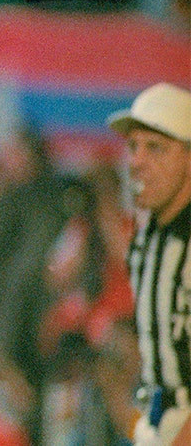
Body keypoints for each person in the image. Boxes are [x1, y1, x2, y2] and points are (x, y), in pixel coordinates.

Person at [108, 82, 191, 446]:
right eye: (133, 147)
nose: (136, 161)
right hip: (157, 418)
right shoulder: (147, 236)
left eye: (155, 148)